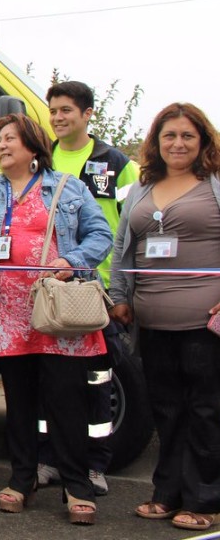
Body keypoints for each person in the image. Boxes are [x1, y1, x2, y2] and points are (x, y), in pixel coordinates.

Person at [0, 113, 112, 525]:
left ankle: (76, 486)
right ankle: (22, 479)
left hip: (59, 313)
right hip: (4, 314)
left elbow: (101, 236)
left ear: (33, 147)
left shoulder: (68, 188)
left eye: (10, 139)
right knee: (18, 403)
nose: (1, 145)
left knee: (66, 401)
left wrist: (71, 260)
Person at [108, 102, 220, 532]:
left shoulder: (213, 183)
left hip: (204, 323)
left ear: (203, 141)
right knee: (167, 409)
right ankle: (167, 494)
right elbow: (124, 247)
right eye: (169, 136)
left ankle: (205, 498)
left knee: (205, 410)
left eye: (187, 136)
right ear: (156, 142)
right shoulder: (141, 186)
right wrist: (119, 295)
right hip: (150, 320)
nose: (178, 143)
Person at [39, 80, 140, 495]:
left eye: (67, 110)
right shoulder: (40, 157)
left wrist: (121, 294)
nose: (59, 118)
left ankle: (95, 466)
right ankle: (48, 460)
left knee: (99, 382)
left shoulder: (115, 163)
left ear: (87, 114)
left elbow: (134, 229)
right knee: (49, 383)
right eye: (54, 111)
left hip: (95, 292)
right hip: (49, 290)